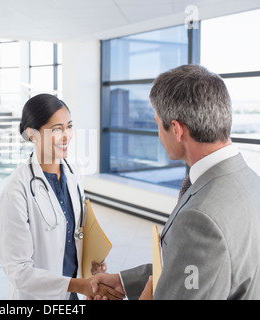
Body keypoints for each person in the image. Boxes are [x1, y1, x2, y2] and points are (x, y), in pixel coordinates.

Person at [90, 64, 260, 300]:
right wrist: (125, 282)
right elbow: (199, 270)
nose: (158, 132)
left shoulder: (201, 218)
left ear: (178, 130)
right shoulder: (251, 181)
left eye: (158, 123)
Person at [0, 94, 117, 300]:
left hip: (73, 292)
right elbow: (18, 272)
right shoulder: (16, 190)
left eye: (69, 126)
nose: (67, 136)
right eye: (56, 129)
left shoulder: (73, 171)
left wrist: (90, 266)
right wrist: (81, 285)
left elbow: (72, 233)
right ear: (32, 135)